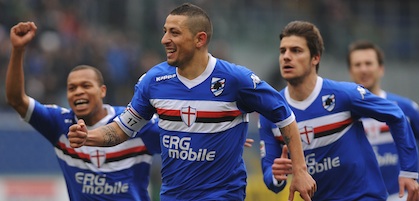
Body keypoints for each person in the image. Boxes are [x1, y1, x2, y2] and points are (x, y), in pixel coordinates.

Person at [67, 3, 316, 201]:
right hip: (172, 195)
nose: (165, 39)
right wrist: (88, 137)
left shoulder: (235, 80)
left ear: (200, 39)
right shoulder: (153, 81)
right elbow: (122, 129)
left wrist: (301, 170)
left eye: (174, 32)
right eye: (165, 31)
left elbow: (285, 116)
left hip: (221, 195)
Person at [259, 20, 419, 201]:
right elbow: (269, 174)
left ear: (315, 58)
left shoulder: (345, 95)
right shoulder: (271, 112)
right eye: (283, 51)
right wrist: (276, 175)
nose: (286, 57)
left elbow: (396, 115)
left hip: (363, 196)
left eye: (296, 51)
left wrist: (409, 171)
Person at [5, 21, 161, 201]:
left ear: (102, 91)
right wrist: (17, 50)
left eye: (86, 85)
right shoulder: (58, 123)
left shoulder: (133, 122)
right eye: (72, 88)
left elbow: (178, 140)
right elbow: (16, 100)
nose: (78, 91)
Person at [347, 40, 419, 200]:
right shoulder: (343, 113)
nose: (363, 69)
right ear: (350, 70)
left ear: (381, 68)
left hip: (404, 196)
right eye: (357, 64)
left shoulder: (404, 107)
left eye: (368, 63)